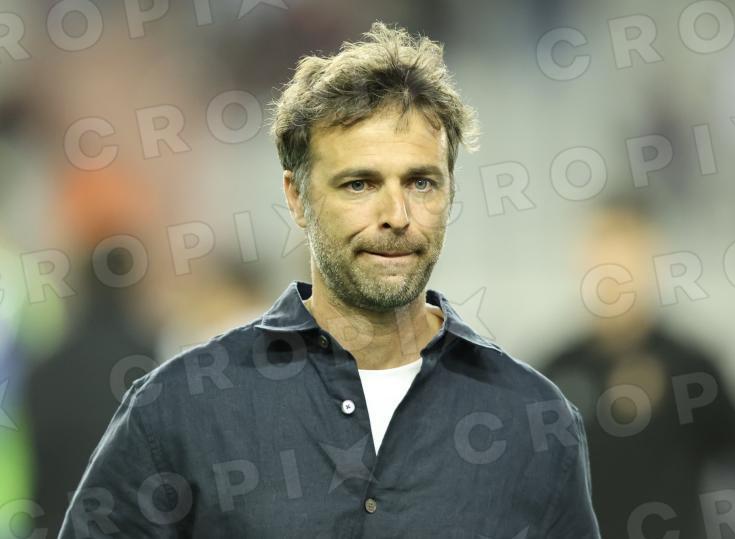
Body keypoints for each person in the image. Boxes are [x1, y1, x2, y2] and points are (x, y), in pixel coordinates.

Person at [58, 22, 600, 538]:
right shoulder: (179, 410)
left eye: (421, 182)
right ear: (297, 197)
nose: (396, 215)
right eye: (359, 184)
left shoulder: (534, 420)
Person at [541, 196, 735, 539]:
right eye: (603, 246)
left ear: (651, 258)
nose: (613, 267)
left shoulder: (690, 369)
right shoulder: (553, 375)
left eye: (627, 250)